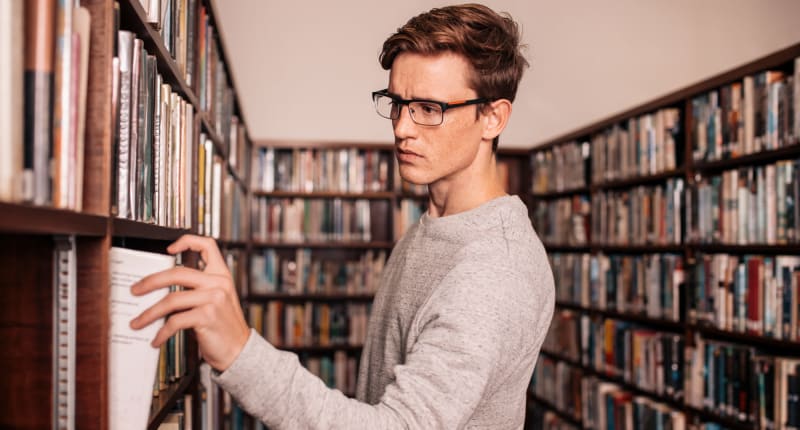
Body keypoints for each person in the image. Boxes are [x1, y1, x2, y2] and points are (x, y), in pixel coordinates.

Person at [131, 3, 555, 428]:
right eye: (397, 103)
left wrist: (240, 351)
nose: (402, 128)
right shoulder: (435, 227)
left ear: (493, 118)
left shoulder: (495, 270)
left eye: (429, 109)